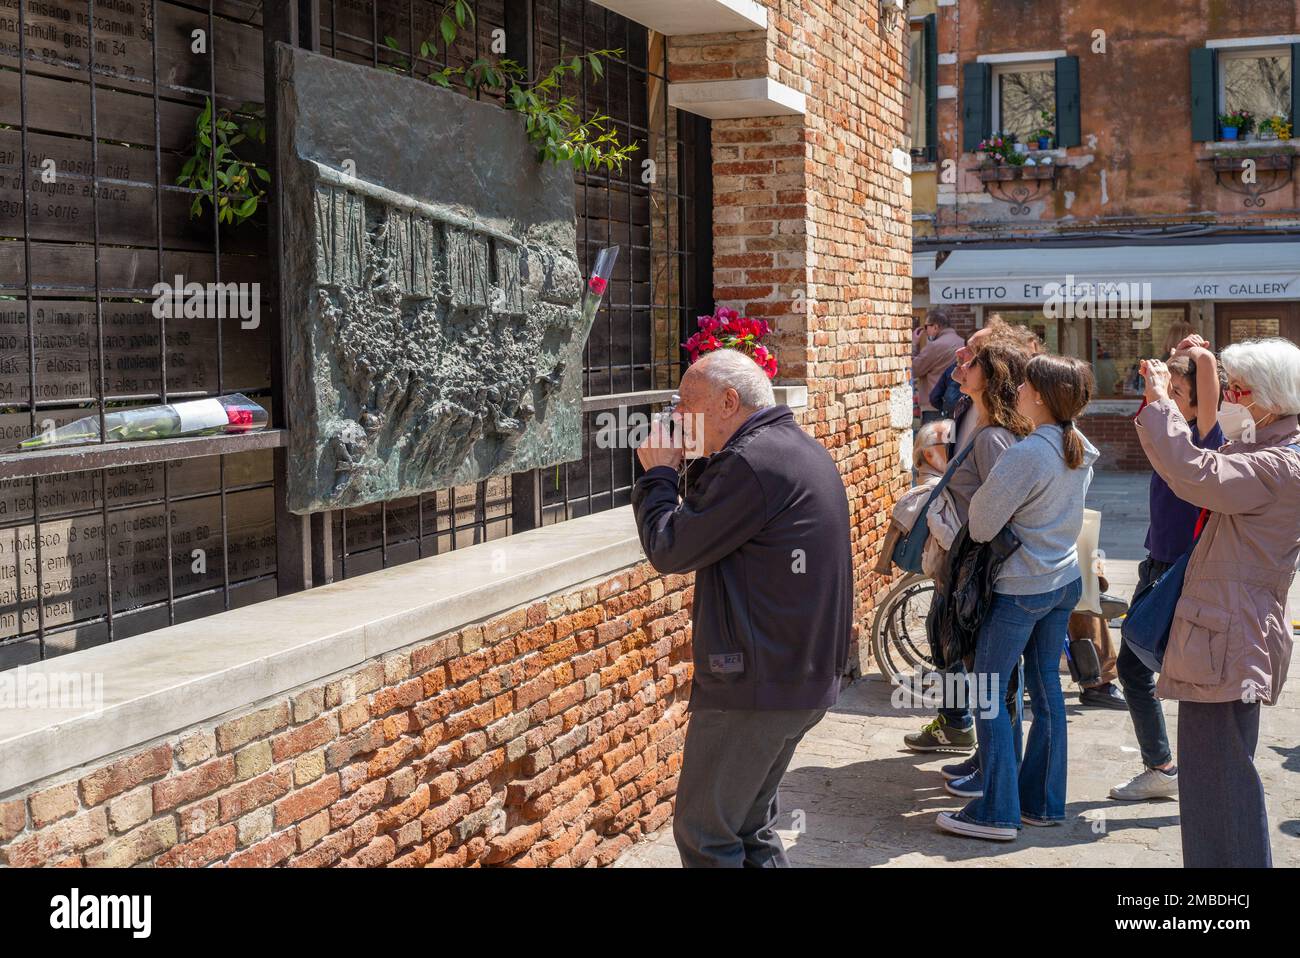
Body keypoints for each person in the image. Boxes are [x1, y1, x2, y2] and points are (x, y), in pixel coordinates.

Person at [632, 347, 853, 868]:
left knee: (706, 834)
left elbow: (671, 548)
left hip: (756, 685)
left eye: (685, 405)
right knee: (748, 830)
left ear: (729, 401)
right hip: (795, 675)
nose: (675, 419)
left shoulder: (751, 463)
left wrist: (658, 475)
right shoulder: (788, 447)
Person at [1134, 338, 1300, 868]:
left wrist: (1161, 402)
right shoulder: (1264, 445)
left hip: (1230, 636)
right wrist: (1198, 368)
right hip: (1227, 632)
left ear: (1268, 400)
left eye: (1236, 389)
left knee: (1220, 781)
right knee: (1213, 780)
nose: (1226, 398)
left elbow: (1193, 473)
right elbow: (1198, 455)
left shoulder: (1276, 464)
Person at [936, 355, 1099, 841]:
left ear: (1043, 397)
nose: (1020, 389)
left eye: (1027, 383)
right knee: (1047, 691)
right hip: (1062, 579)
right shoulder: (1079, 446)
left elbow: (982, 524)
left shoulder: (1028, 453)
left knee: (988, 691)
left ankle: (996, 811)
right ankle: (1042, 803)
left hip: (1020, 587)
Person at [904, 340, 1033, 756]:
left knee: (983, 664)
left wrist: (965, 539)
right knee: (945, 639)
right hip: (957, 554)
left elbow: (1003, 503)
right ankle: (966, 735)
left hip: (974, 561)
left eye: (970, 359)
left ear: (993, 375)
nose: (959, 359)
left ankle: (991, 764)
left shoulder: (994, 435)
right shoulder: (970, 413)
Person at [1110, 336, 1224, 800]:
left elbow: (1209, 385)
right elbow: (1149, 408)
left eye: (1179, 394)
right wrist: (1170, 366)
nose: (1169, 399)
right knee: (1136, 669)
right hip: (1154, 564)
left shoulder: (1205, 437)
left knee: (1158, 670)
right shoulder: (1168, 430)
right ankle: (1165, 766)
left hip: (1181, 572)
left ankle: (1180, 769)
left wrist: (1201, 356)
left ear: (1201, 404)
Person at [875, 419, 960, 580]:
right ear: (929, 454)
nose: (957, 449)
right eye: (950, 445)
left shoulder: (932, 486)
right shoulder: (935, 490)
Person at [914, 308, 966, 424]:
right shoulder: (962, 342)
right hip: (957, 403)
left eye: (926, 327)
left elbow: (914, 369)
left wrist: (914, 345)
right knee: (951, 441)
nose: (925, 331)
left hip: (934, 406)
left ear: (936, 327)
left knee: (934, 441)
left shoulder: (934, 346)